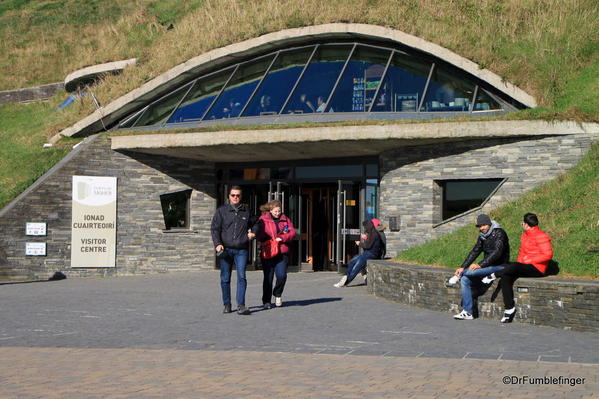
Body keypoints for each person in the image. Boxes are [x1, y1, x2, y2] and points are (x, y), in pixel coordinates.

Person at [482, 213, 553, 323]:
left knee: (513, 266)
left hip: (537, 268)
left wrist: (528, 261)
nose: (522, 224)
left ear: (526, 224)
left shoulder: (541, 235)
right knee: (506, 275)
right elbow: (522, 252)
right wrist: (520, 264)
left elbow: (547, 255)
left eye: (522, 223)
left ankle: (494, 275)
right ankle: (509, 309)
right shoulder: (524, 235)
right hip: (524, 266)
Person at [449, 214, 510, 320]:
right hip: (488, 266)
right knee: (465, 280)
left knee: (471, 272)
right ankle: (468, 312)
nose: (482, 228)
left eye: (484, 225)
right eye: (480, 226)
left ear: (489, 224)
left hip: (500, 266)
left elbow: (497, 252)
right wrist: (462, 267)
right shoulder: (482, 236)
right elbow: (475, 251)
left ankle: (458, 276)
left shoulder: (500, 233)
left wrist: (480, 265)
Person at [211, 186, 256, 315]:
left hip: (241, 249)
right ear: (229, 196)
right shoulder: (222, 211)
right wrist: (217, 244)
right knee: (225, 278)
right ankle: (227, 304)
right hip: (226, 249)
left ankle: (241, 305)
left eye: (238, 195)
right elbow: (215, 229)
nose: (235, 197)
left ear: (241, 197)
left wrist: (253, 233)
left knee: (242, 276)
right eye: (233, 195)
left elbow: (257, 223)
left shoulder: (246, 211)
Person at [254, 200, 296, 309]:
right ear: (270, 210)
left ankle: (277, 293)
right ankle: (266, 301)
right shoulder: (263, 219)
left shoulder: (285, 219)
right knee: (268, 277)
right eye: (276, 211)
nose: (278, 213)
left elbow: (292, 232)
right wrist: (263, 237)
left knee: (282, 275)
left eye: (279, 211)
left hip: (282, 251)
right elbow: (259, 233)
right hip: (268, 251)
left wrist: (282, 238)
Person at [334, 218, 386, 287]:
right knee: (351, 262)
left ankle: (345, 282)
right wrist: (365, 238)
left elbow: (368, 246)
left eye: (365, 227)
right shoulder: (372, 233)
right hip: (368, 253)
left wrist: (359, 243)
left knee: (357, 267)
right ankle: (345, 277)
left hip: (372, 254)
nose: (365, 229)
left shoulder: (374, 234)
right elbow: (369, 243)